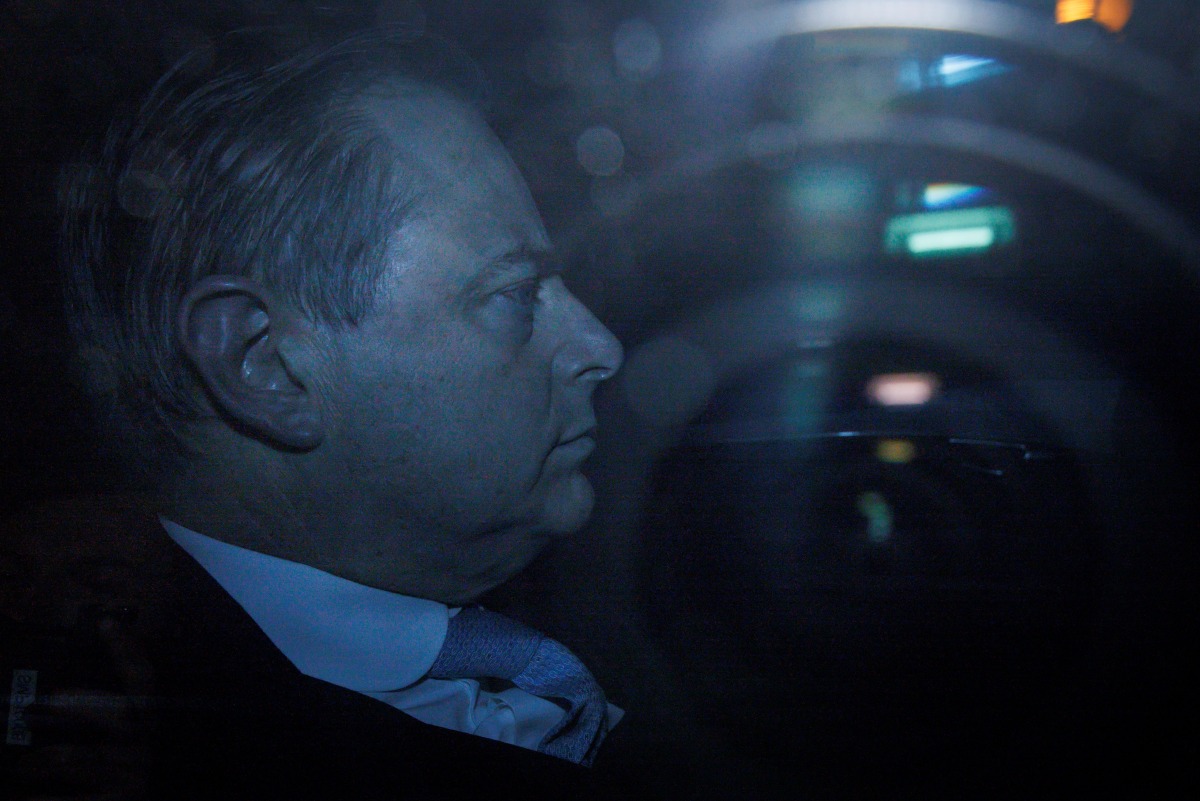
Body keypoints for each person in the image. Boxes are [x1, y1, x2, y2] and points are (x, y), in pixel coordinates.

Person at [18, 29, 627, 800]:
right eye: (512, 294)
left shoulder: (604, 599)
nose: (599, 346)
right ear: (267, 363)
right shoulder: (145, 745)